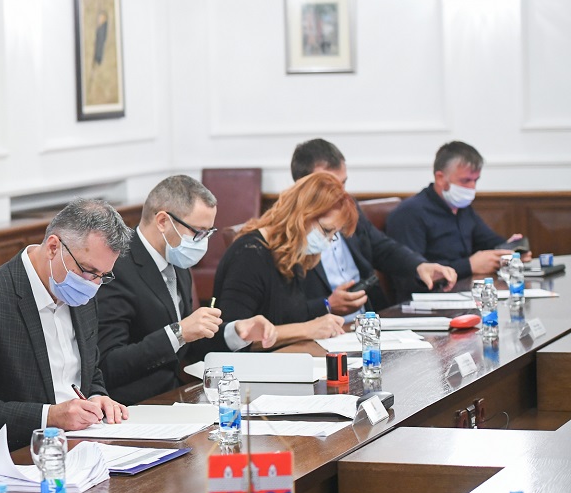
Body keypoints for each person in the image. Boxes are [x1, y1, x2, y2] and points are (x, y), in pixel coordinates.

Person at [0, 198, 131, 451]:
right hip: (22, 451)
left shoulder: (82, 293)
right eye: (88, 271)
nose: (93, 284)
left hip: (87, 442)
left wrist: (97, 396)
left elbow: (88, 370)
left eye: (102, 276)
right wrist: (49, 417)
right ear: (53, 247)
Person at [96, 175, 278, 404]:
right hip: (134, 404)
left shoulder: (177, 259)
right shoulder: (115, 266)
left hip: (175, 395)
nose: (203, 242)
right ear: (163, 221)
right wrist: (178, 332)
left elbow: (189, 343)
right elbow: (109, 365)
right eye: (198, 232)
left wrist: (237, 332)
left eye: (209, 232)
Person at [290, 139, 457, 314]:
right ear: (302, 185)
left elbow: (381, 247)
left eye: (343, 183)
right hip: (322, 324)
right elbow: (285, 309)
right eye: (329, 185)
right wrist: (326, 305)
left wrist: (420, 266)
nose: (339, 194)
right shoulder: (286, 230)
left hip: (369, 316)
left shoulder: (349, 207)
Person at [211, 173, 353, 345]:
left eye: (334, 235)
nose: (327, 241)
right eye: (326, 231)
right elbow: (235, 338)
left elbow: (290, 313)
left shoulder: (290, 252)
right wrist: (306, 329)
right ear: (302, 215)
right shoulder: (249, 255)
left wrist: (323, 317)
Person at [386, 141, 526, 282]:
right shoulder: (410, 213)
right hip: (433, 293)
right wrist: (469, 266)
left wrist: (511, 250)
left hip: (465, 287)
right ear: (440, 178)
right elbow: (411, 274)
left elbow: (488, 241)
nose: (472, 187)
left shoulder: (462, 207)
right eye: (465, 180)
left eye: (475, 180)